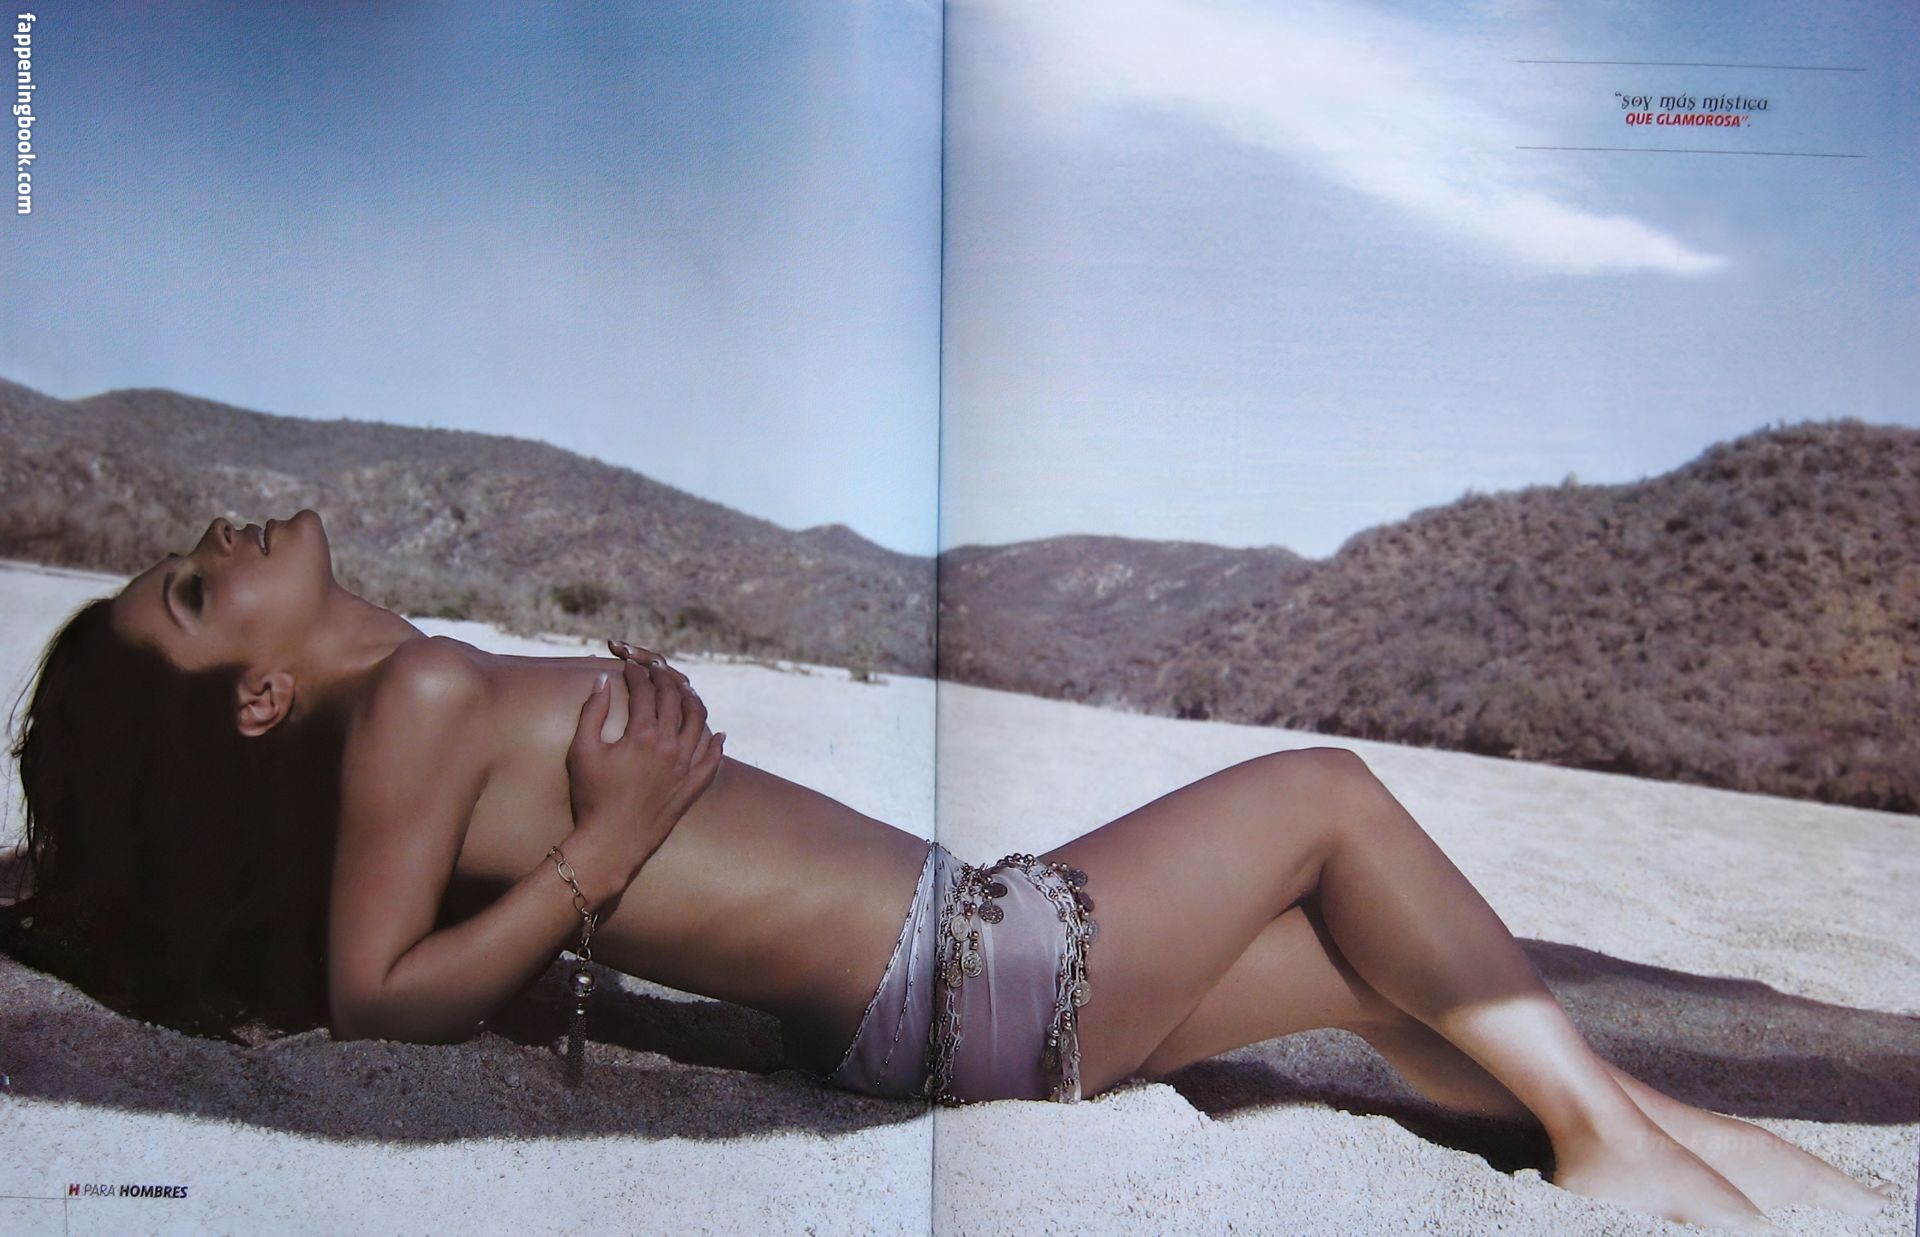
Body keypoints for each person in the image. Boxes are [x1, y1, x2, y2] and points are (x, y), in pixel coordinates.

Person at [1, 507, 1893, 1234]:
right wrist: (609, 843)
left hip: (931, 988)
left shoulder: (416, 692)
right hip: (977, 954)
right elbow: (373, 995)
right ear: (256, 697)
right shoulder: (415, 700)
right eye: (194, 590)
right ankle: (1608, 1139)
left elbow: (424, 945)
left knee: (1366, 957)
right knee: (1325, 794)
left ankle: (1694, 1152)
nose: (218, 534)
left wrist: (599, 852)